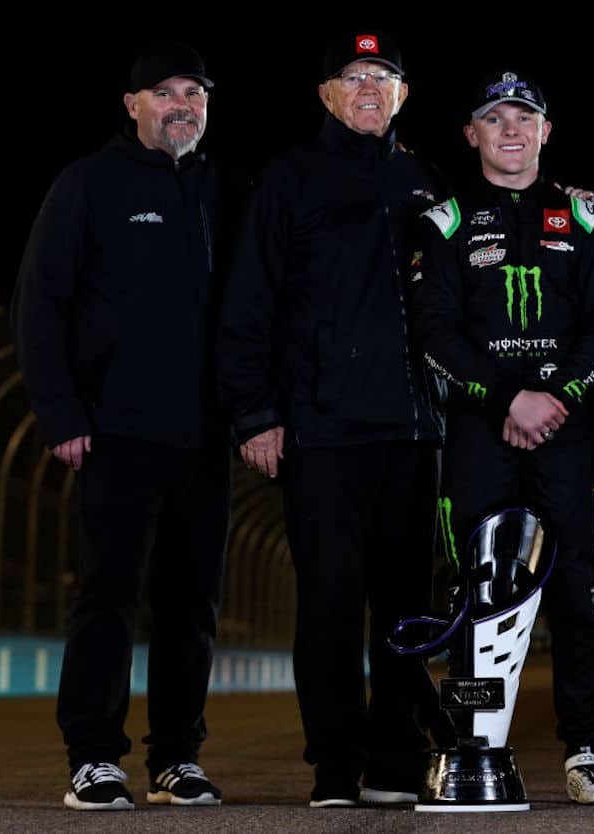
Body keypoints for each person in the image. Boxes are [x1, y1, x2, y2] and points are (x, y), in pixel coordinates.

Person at [216, 31, 447, 807]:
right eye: (354, 77)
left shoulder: (424, 182)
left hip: (415, 435)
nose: (370, 88)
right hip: (321, 432)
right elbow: (247, 303)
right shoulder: (287, 181)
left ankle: (396, 763)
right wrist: (255, 414)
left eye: (384, 75)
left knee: (409, 612)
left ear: (404, 94)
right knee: (330, 608)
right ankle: (335, 767)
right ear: (326, 95)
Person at [10, 42, 228, 811]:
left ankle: (176, 758)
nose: (182, 105)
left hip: (203, 439)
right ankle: (94, 757)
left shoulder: (216, 191)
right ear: (132, 104)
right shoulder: (88, 185)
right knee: (108, 596)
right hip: (114, 432)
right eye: (165, 92)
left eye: (195, 93)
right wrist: (62, 411)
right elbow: (40, 303)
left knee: (192, 605)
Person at [413, 69, 594, 805]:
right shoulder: (444, 221)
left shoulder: (586, 215)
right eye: (494, 118)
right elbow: (432, 331)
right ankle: (473, 746)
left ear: (545, 131)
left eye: (524, 118)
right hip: (479, 432)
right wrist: (509, 396)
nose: (510, 129)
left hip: (566, 433)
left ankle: (585, 750)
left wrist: (555, 398)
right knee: (476, 591)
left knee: (576, 592)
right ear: (471, 133)